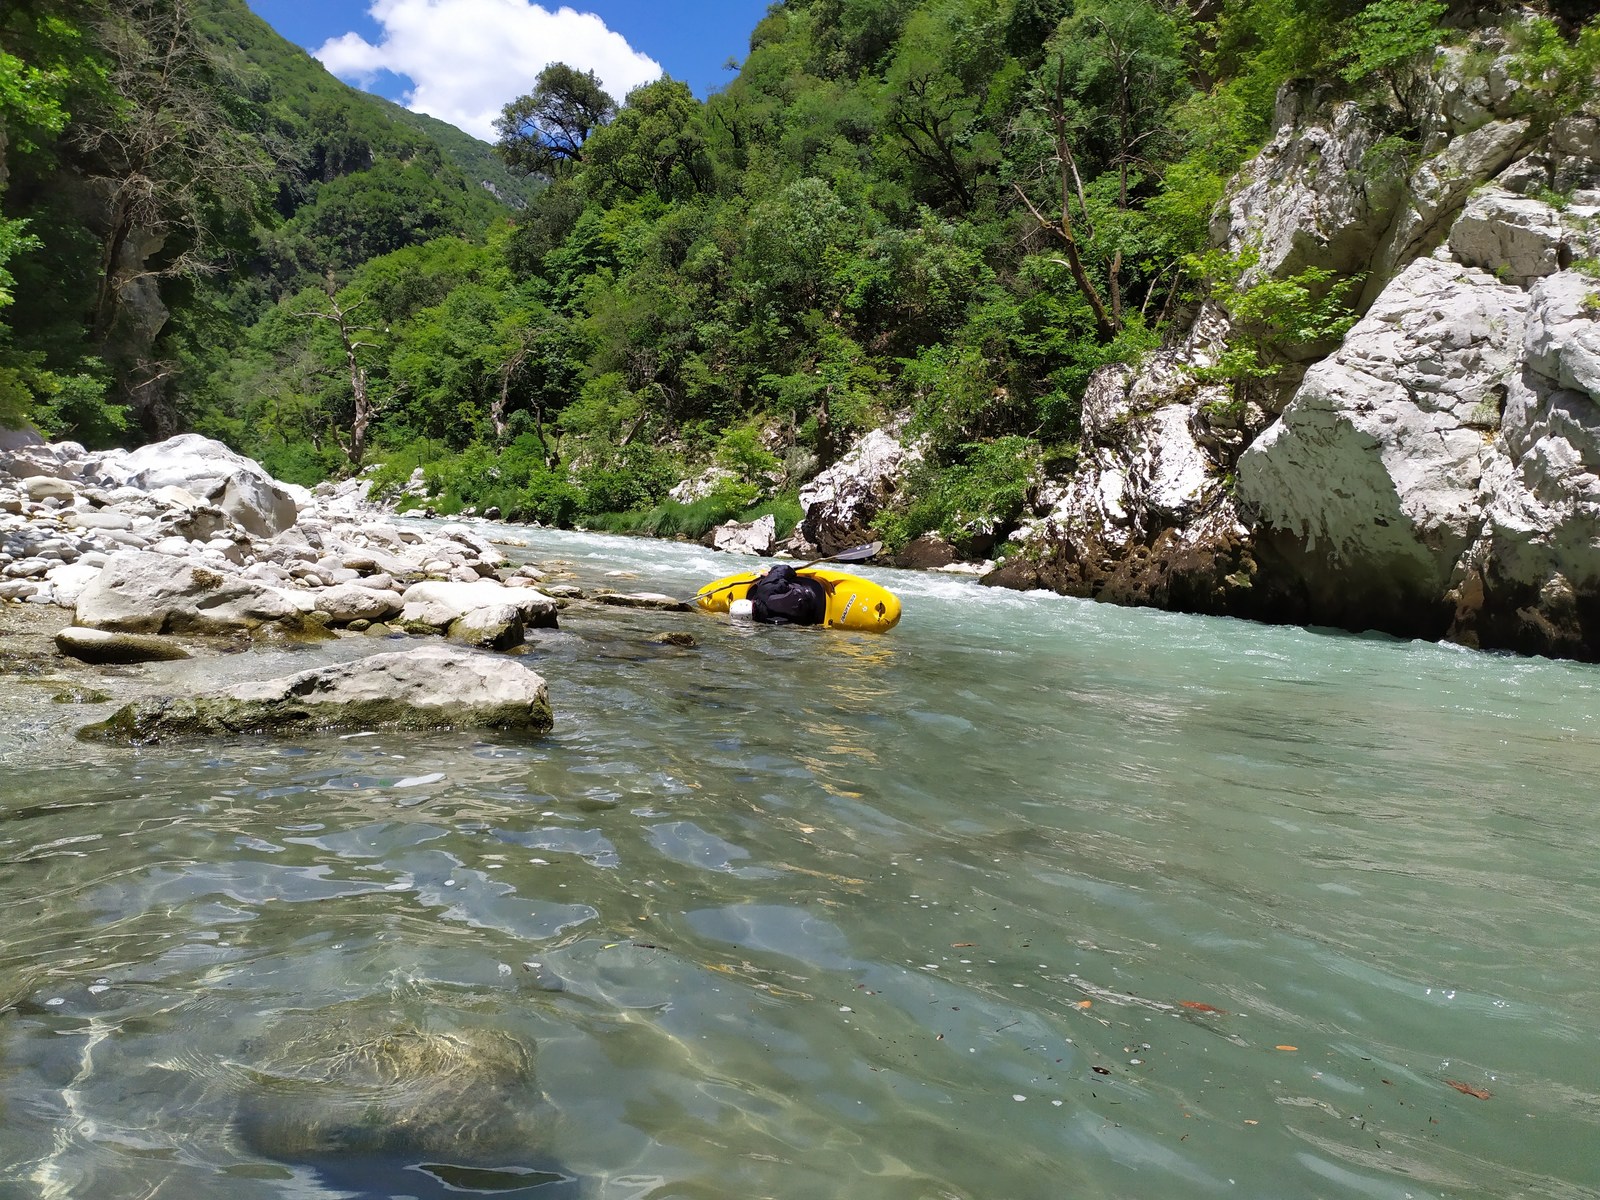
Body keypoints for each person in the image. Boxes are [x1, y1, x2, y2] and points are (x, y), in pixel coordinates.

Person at [746, 563, 827, 625]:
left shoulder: (765, 622)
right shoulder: (764, 589)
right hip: (812, 593)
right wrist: (770, 573)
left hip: (811, 614)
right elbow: (784, 569)